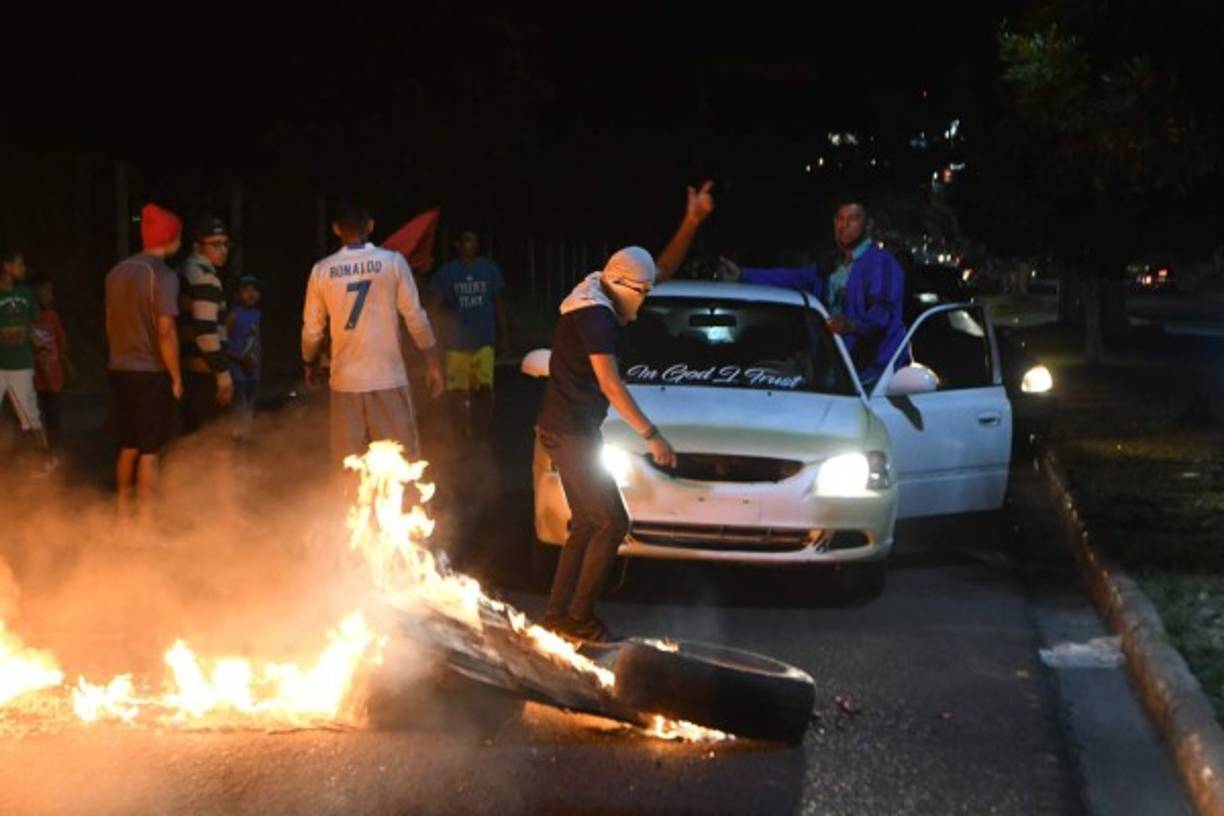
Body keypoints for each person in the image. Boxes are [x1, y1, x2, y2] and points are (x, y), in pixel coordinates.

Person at [537, 182, 715, 644]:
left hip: (570, 430)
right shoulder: (594, 315)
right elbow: (610, 384)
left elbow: (664, 268)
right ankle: (576, 619)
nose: (646, 301)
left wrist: (691, 221)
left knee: (586, 523)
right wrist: (652, 435)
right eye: (644, 293)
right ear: (625, 287)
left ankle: (558, 615)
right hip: (570, 433)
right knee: (612, 521)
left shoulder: (604, 287)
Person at [678, 197, 908, 388]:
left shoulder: (881, 264)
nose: (844, 225)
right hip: (833, 369)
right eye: (840, 218)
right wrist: (742, 275)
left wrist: (852, 325)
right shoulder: (831, 263)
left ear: (867, 225)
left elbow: (884, 312)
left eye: (853, 219)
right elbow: (792, 278)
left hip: (872, 375)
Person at [302, 199, 445, 466]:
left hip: (345, 382)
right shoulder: (392, 262)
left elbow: (312, 331)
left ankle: (350, 508)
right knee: (401, 464)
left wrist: (309, 361)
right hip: (388, 378)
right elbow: (415, 317)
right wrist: (432, 361)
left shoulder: (322, 270)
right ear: (370, 226)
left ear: (336, 229)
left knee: (350, 466)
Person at [105, 203, 184, 521]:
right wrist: (176, 377)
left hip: (119, 368)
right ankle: (147, 520)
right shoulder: (162, 275)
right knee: (150, 450)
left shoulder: (116, 272)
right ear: (169, 238)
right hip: (150, 372)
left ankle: (124, 515)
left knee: (127, 445)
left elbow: (109, 322)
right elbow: (166, 331)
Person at [429, 229, 508, 439]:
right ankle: (460, 430)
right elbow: (435, 305)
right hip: (457, 343)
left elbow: (499, 303)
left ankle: (482, 430)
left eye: (473, 240)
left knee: (484, 388)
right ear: (458, 244)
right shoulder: (448, 273)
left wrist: (504, 336)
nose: (470, 244)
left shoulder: (489, 270)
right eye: (466, 240)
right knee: (457, 392)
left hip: (484, 340)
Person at [178, 215, 234, 434]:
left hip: (189, 370)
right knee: (211, 440)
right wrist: (222, 374)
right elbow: (205, 332)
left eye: (226, 244)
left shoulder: (184, 271)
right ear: (197, 246)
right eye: (216, 244)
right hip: (204, 372)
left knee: (193, 438)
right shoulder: (205, 277)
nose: (223, 250)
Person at [0, 250, 54, 471]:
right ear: (6, 266)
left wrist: (42, 349)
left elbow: (32, 326)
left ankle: (44, 458)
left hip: (21, 364)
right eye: (19, 264)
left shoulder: (25, 293)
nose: (22, 269)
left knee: (31, 415)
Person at [29, 275, 74, 451]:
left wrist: (68, 365)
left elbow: (61, 343)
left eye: (51, 291)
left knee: (53, 414)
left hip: (53, 376)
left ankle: (54, 450)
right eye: (46, 290)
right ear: (37, 292)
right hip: (35, 376)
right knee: (36, 415)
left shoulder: (52, 316)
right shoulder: (30, 317)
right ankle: (39, 450)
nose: (50, 295)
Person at [226, 275, 262, 444]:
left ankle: (246, 437)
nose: (251, 294)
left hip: (253, 370)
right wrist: (240, 358)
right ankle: (236, 439)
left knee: (249, 404)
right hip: (237, 370)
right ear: (238, 294)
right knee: (239, 405)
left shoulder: (257, 314)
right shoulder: (233, 314)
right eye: (246, 290)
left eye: (254, 290)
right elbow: (223, 342)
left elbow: (256, 339)